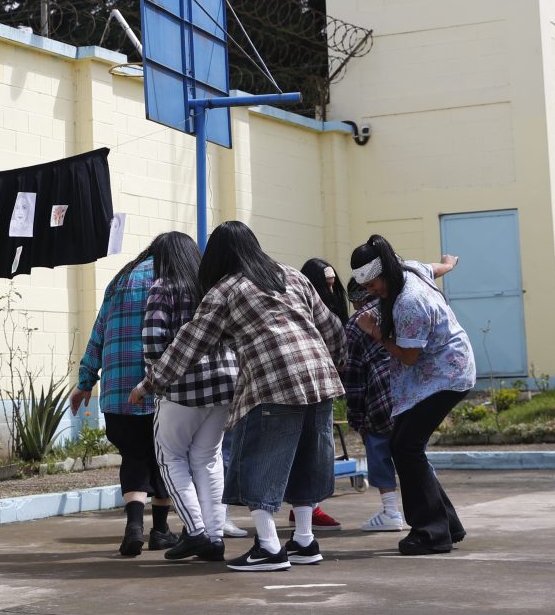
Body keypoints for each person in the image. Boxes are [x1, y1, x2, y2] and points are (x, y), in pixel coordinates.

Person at [130, 221, 348, 573]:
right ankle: (304, 541)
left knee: (258, 463)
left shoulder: (225, 290)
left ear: (217, 256)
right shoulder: (292, 275)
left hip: (273, 383)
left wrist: (149, 382)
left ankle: (268, 547)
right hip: (321, 379)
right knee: (307, 461)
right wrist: (338, 361)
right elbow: (331, 327)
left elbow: (190, 342)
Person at [349, 234, 472, 555]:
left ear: (386, 272)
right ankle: (446, 524)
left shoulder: (408, 303)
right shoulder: (410, 269)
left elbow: (408, 356)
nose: (373, 293)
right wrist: (449, 263)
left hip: (445, 375)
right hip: (436, 374)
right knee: (402, 445)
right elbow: (434, 268)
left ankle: (431, 533)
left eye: (375, 285)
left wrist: (373, 331)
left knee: (406, 446)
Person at [71, 244, 177, 557]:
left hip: (117, 394)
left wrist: (85, 382)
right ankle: (160, 531)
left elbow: (97, 333)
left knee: (133, 457)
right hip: (157, 390)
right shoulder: (171, 280)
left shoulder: (120, 280)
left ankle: (133, 527)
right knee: (165, 459)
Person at [141, 230, 238, 562]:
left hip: (180, 390)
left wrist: (152, 381)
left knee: (170, 458)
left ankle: (195, 532)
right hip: (225, 386)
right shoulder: (213, 286)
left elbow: (154, 341)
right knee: (208, 460)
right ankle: (215, 537)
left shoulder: (164, 287)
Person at [342, 277, 407, 532]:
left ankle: (391, 512)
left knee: (379, 451)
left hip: (379, 397)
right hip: (411, 392)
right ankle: (430, 507)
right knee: (414, 453)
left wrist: (356, 416)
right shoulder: (398, 308)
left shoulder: (356, 325)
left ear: (357, 299)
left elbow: (354, 377)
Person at [292, 258, 350, 529]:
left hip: (325, 381)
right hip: (310, 382)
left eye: (332, 283)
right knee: (311, 448)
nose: (330, 289)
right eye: (325, 284)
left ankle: (306, 506)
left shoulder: (333, 304)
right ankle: (307, 507)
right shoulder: (308, 305)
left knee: (315, 447)